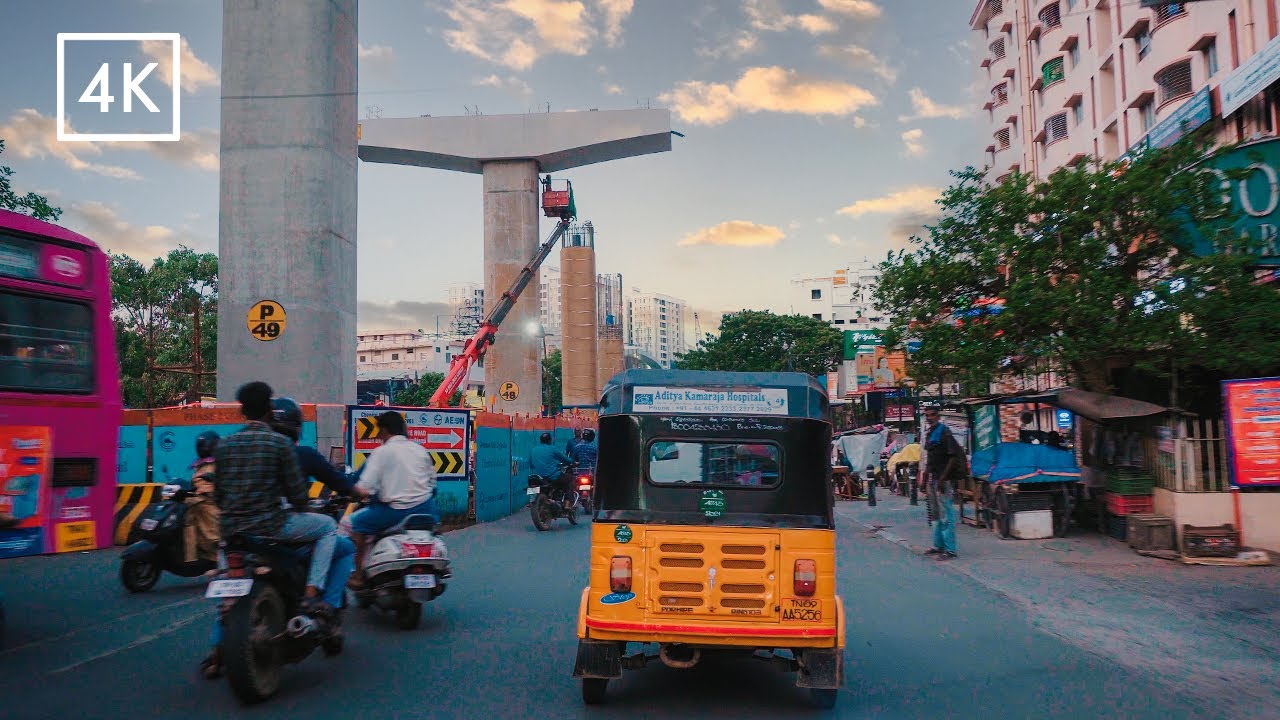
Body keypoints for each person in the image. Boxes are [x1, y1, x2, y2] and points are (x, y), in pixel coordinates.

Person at [200, 398, 357, 680]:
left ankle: (215, 648)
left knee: (228, 585)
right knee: (337, 540)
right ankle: (319, 600)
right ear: (296, 428)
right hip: (277, 527)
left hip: (237, 532)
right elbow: (308, 493)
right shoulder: (293, 453)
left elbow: (220, 494)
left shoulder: (235, 450)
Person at [345, 411, 438, 588]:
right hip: (427, 511)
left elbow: (364, 487)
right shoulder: (420, 450)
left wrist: (355, 493)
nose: (378, 435)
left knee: (355, 524)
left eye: (379, 430)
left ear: (385, 430)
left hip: (394, 512)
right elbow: (433, 485)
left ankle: (357, 575)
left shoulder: (381, 453)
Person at [923, 406, 965, 560]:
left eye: (932, 415)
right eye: (927, 415)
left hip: (943, 480)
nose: (930, 417)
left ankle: (950, 549)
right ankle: (938, 545)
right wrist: (924, 478)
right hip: (933, 479)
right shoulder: (930, 433)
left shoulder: (944, 432)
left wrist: (942, 479)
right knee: (935, 514)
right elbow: (930, 458)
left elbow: (953, 457)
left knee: (946, 514)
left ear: (938, 416)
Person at [531, 432, 575, 509]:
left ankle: (534, 500)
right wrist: (572, 462)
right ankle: (567, 504)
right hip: (552, 476)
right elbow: (564, 459)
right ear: (549, 441)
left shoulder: (534, 449)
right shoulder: (552, 449)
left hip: (538, 477)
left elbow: (531, 465)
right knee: (571, 479)